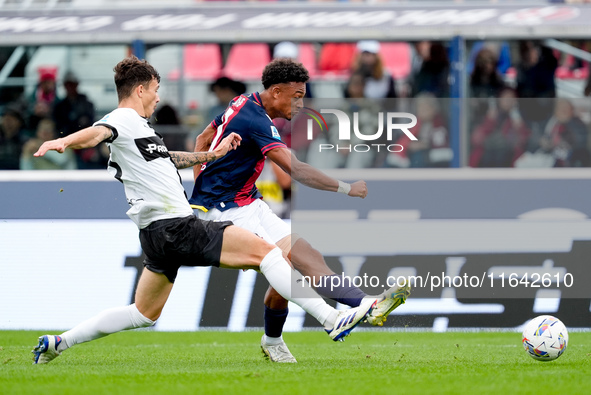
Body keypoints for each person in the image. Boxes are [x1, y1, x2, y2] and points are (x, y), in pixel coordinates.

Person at [31, 56, 388, 365]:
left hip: (155, 235)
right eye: (155, 89)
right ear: (140, 90)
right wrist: (65, 140)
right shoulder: (121, 120)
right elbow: (97, 133)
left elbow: (171, 159)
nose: (158, 97)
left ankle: (59, 343)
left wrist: (211, 156)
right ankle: (330, 318)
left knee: (141, 314)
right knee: (269, 255)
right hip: (178, 226)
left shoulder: (140, 129)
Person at [189, 58, 410, 363]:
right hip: (226, 213)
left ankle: (356, 309)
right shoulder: (257, 120)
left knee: (306, 256)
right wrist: (346, 188)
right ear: (277, 92)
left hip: (249, 204)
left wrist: (201, 182)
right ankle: (336, 318)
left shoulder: (242, 102)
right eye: (296, 97)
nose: (301, 104)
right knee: (285, 266)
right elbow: (299, 170)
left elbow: (203, 139)